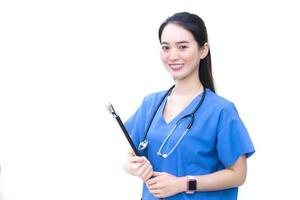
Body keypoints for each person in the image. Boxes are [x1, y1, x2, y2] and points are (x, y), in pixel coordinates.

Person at [123, 12, 255, 200]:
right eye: (165, 47)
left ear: (203, 50)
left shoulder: (221, 111)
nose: (172, 56)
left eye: (182, 47)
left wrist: (183, 183)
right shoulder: (150, 104)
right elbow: (129, 157)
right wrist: (133, 166)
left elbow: (238, 174)